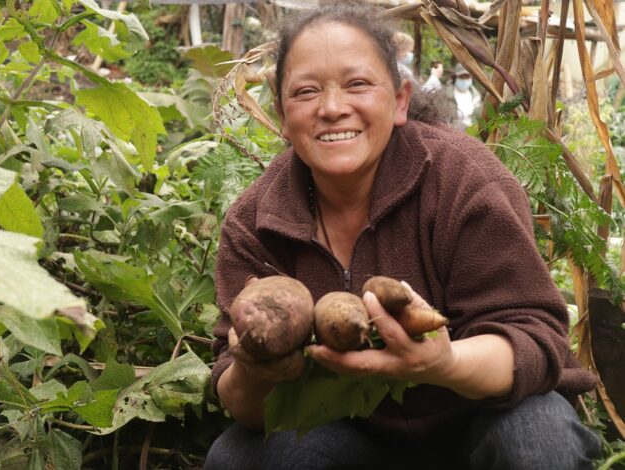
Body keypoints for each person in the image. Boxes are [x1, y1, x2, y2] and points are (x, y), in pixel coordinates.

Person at [204, 4, 600, 469]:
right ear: (282, 113)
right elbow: (245, 407)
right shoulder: (256, 220)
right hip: (348, 429)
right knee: (236, 458)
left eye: (357, 84)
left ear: (400, 100)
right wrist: (253, 365)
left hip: (481, 414)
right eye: (306, 91)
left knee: (538, 435)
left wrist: (443, 364)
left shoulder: (465, 182)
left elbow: (535, 341)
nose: (332, 109)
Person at [449, 63, 482, 129]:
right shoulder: (447, 94)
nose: (464, 80)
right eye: (461, 77)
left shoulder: (476, 95)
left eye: (467, 77)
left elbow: (479, 115)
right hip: (452, 130)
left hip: (472, 130)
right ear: (455, 77)